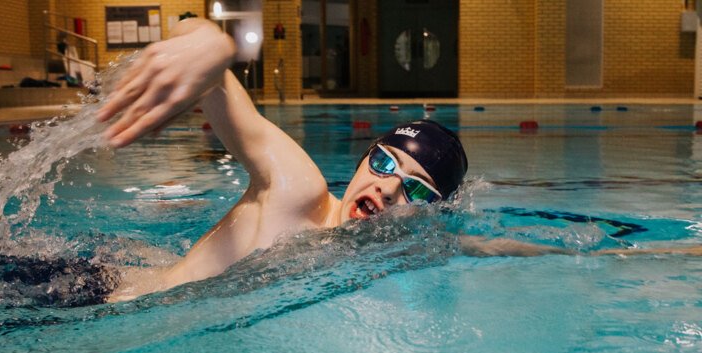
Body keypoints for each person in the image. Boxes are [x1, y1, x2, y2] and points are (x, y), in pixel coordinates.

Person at [97, 19, 701, 302]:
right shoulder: (296, 191)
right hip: (86, 303)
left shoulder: (409, 249)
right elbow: (223, 89)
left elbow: (522, 248)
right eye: (384, 165)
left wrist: (671, 251)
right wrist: (211, 43)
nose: (387, 190)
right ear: (363, 162)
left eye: (414, 192)